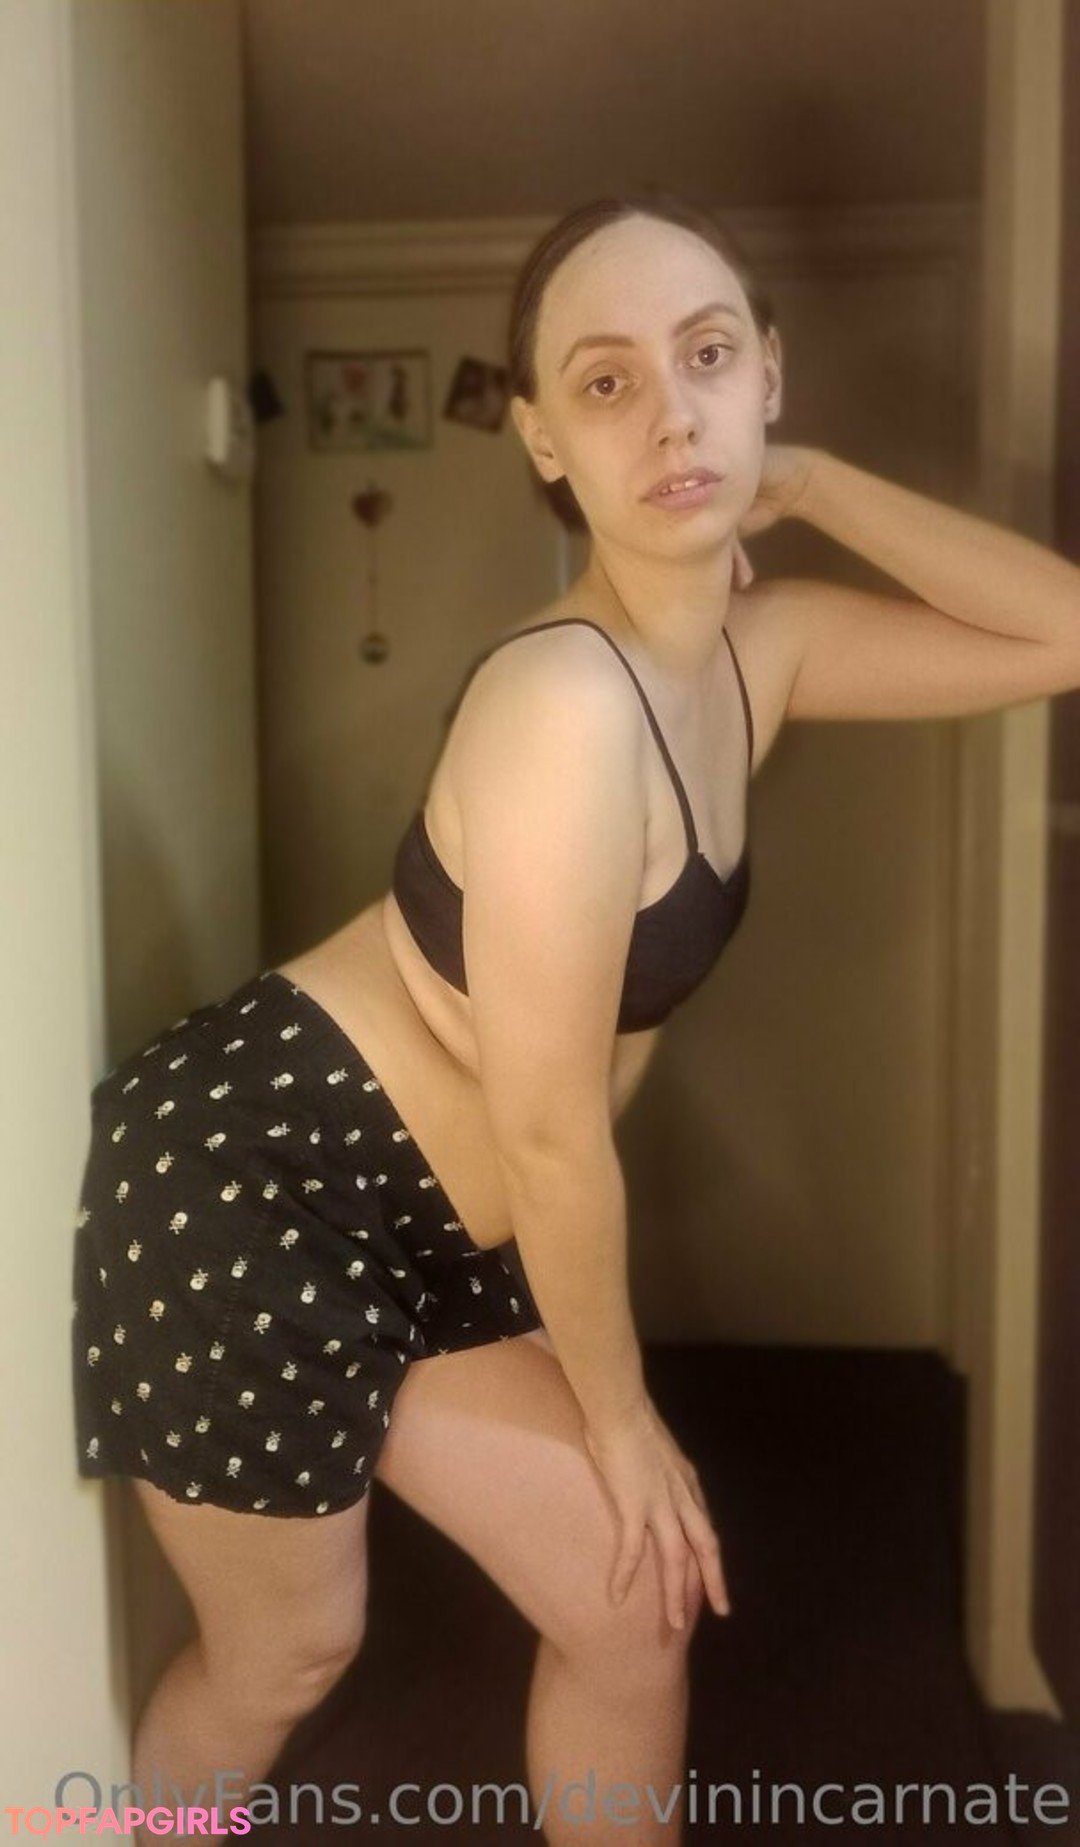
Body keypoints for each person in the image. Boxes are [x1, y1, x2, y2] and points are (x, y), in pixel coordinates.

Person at [70, 192, 1080, 1846]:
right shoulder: (562, 707)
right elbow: (546, 1126)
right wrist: (623, 1420)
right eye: (608, 384)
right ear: (544, 438)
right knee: (289, 1657)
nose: (671, 413)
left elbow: (1064, 630)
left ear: (768, 374)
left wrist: (813, 482)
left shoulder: (759, 654)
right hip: (259, 1193)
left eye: (708, 358)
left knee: (630, 1607)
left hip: (444, 1219)